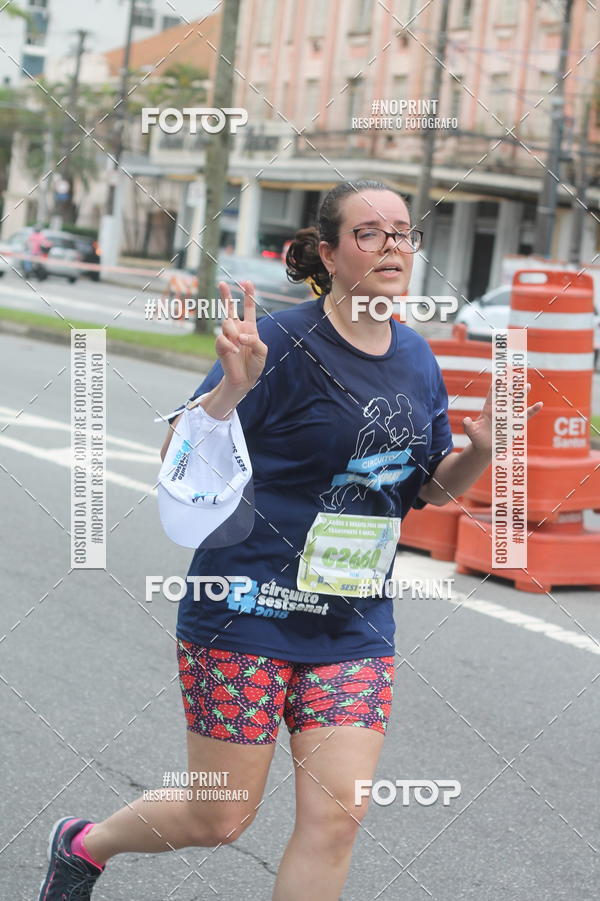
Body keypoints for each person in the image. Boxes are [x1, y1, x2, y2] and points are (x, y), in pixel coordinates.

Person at [38, 179, 543, 900]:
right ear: (330, 253)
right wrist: (229, 393)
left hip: (353, 622)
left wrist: (484, 452)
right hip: (246, 607)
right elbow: (176, 463)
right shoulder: (276, 342)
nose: (393, 245)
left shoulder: (418, 359)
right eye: (371, 233)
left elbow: (423, 488)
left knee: (338, 818)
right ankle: (83, 844)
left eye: (403, 232)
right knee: (220, 815)